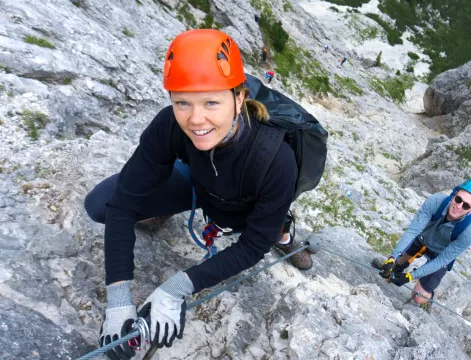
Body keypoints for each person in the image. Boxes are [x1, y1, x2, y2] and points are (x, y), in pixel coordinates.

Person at [85, 29, 312, 358]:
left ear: (238, 98)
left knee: (265, 227)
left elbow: (252, 247)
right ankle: (165, 208)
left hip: (243, 199)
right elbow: (122, 203)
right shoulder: (170, 126)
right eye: (182, 102)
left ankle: (282, 227)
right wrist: (118, 298)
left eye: (211, 102)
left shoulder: (276, 159)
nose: (195, 119)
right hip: (201, 179)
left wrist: (179, 286)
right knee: (98, 204)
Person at [377, 180, 471, 307]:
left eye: (466, 206)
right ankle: (397, 267)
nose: (459, 206)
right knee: (393, 268)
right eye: (458, 199)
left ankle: (429, 298)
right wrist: (392, 257)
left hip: (440, 254)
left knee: (418, 297)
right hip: (423, 239)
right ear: (454, 194)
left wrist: (410, 276)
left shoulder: (469, 232)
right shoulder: (435, 202)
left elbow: (442, 260)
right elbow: (413, 231)